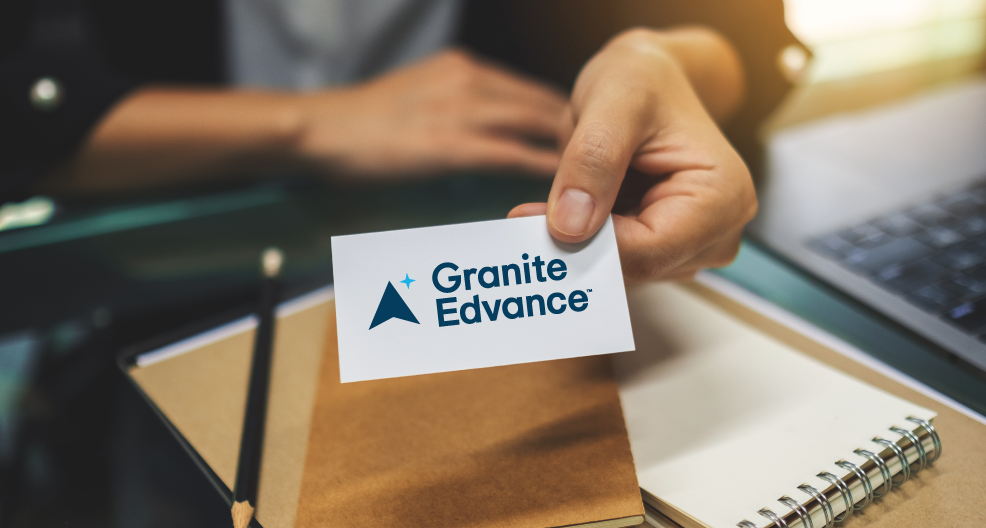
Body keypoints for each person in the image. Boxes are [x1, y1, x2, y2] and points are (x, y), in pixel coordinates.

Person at [0, 0, 804, 281]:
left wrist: (660, 61)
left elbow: (754, 44)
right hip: (175, 281)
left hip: (509, 299)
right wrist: (308, 124)